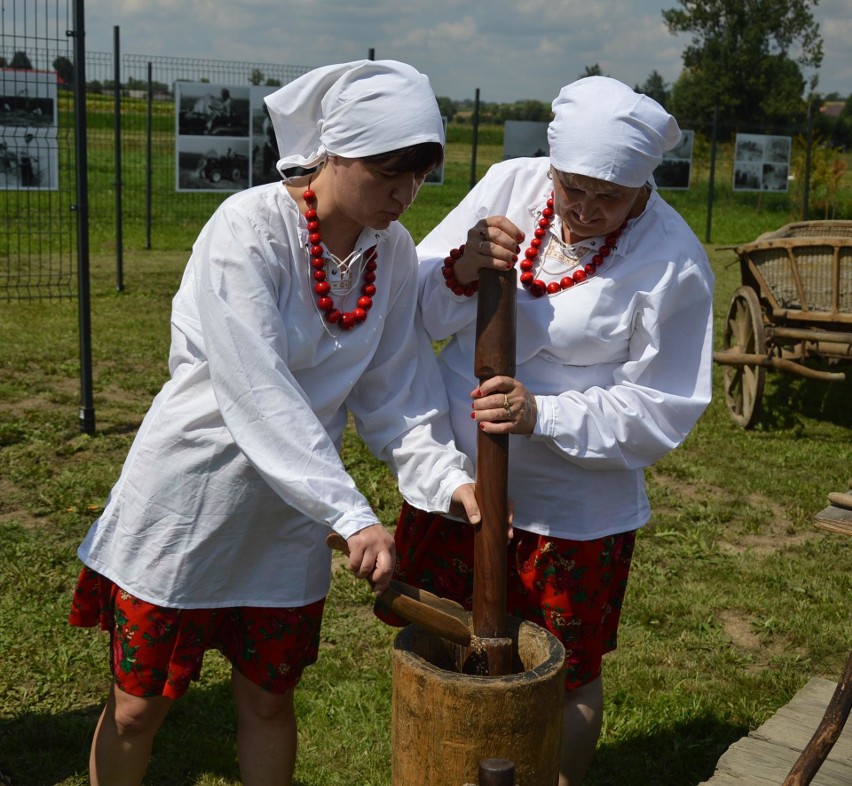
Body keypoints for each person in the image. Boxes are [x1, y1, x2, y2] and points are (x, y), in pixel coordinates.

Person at [68, 59, 480, 786]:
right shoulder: (249, 227)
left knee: (268, 700)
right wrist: (351, 514)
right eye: (389, 173)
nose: (405, 194)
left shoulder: (390, 252)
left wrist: (449, 480)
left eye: (419, 177)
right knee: (137, 709)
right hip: (191, 501)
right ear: (334, 151)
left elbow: (396, 392)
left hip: (290, 513)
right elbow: (257, 389)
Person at [379, 76, 715, 785]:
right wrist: (466, 267)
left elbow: (662, 407)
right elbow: (417, 310)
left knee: (565, 666)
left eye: (611, 197)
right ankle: (441, 766)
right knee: (445, 644)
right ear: (552, 165)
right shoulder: (511, 186)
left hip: (573, 510)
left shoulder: (674, 262)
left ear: (643, 185)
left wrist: (545, 415)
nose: (587, 209)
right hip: (464, 479)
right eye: (573, 188)